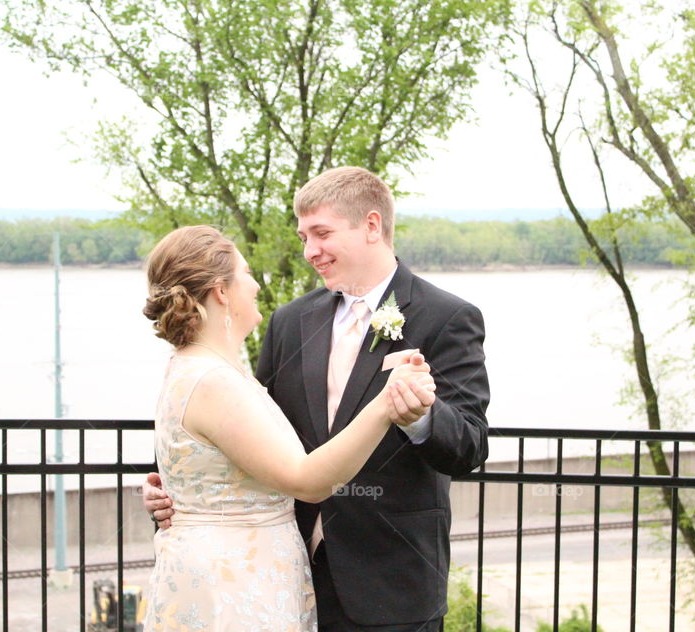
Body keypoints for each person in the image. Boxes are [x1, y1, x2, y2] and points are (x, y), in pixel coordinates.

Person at [146, 167, 490, 630]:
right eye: (303, 236)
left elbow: (470, 446)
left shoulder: (447, 317)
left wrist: (421, 417)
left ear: (371, 226)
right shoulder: (291, 321)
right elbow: (242, 425)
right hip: (279, 579)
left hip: (391, 586)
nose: (310, 252)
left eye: (321, 233)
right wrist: (174, 489)